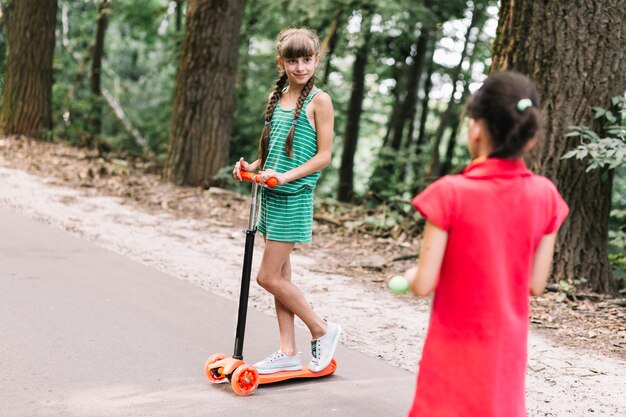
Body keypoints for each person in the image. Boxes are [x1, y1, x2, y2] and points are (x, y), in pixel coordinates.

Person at [404, 71, 569, 416]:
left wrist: (410, 274)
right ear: (529, 138)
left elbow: (423, 284)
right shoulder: (546, 196)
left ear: (476, 128)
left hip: (453, 351)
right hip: (504, 354)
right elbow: (536, 284)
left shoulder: (450, 193)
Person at [232, 27, 341, 374]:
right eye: (292, 60)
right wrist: (253, 166)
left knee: (266, 278)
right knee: (281, 277)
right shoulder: (279, 97)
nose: (299, 67)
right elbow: (277, 150)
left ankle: (322, 329)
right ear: (281, 62)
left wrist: (286, 177)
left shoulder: (319, 100)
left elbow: (323, 155)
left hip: (293, 197)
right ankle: (287, 350)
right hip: (271, 196)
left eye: (306, 59)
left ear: (316, 60)